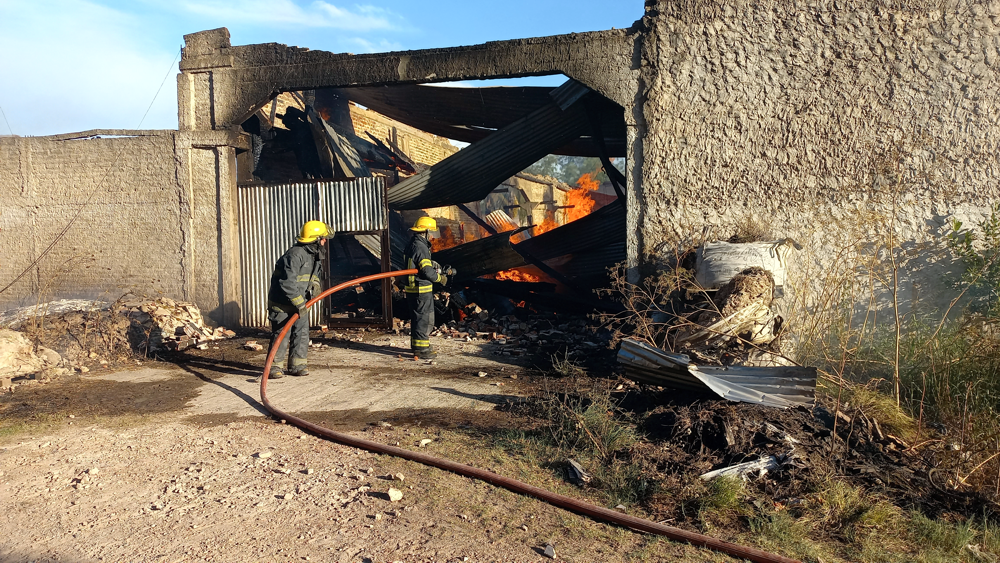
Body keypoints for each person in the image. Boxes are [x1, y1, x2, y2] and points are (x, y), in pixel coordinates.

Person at [266, 220, 332, 378]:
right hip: (282, 303)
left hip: (299, 302)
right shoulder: (295, 255)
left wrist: (315, 285)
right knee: (282, 333)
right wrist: (300, 303)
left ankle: (297, 365)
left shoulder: (313, 255)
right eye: (323, 238)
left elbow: (314, 274)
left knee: (302, 333)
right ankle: (274, 367)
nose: (325, 241)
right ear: (316, 239)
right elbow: (287, 283)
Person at [403, 216, 455, 359]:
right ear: (424, 232)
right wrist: (440, 278)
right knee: (423, 319)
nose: (432, 236)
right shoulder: (420, 246)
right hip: (421, 289)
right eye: (430, 232)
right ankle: (422, 349)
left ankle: (417, 345)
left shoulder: (413, 244)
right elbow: (426, 271)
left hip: (414, 288)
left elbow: (422, 265)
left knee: (417, 318)